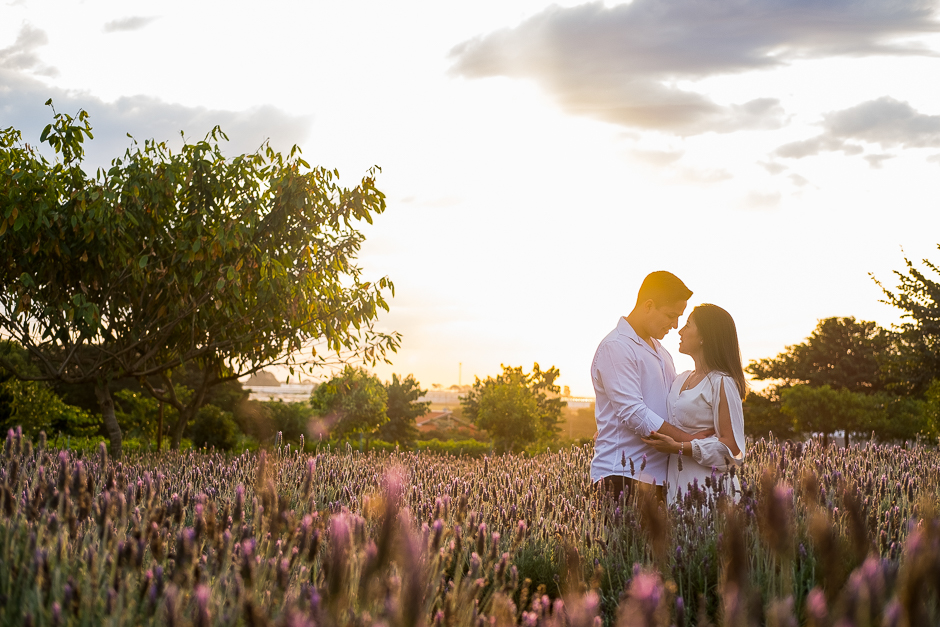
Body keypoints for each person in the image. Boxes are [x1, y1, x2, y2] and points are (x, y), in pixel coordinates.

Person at [591, 271, 715, 500]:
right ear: (648, 305)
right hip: (623, 477)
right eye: (671, 315)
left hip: (663, 478)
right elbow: (634, 413)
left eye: (680, 317)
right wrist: (690, 440)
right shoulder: (616, 346)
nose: (676, 324)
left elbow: (672, 403)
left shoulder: (661, 351)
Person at [642, 304, 747, 503]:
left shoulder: (722, 382)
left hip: (709, 490)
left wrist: (681, 447)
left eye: (688, 325)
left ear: (704, 337)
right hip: (676, 483)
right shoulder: (680, 379)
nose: (680, 330)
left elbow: (733, 449)